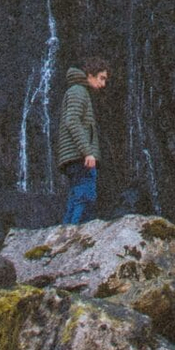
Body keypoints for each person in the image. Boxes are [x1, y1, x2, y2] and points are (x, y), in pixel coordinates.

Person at [57, 58, 109, 226]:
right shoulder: (79, 91)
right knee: (85, 198)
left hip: (74, 157)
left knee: (75, 199)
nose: (103, 84)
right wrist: (88, 152)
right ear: (90, 75)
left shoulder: (76, 90)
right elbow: (72, 120)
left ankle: (65, 236)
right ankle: (75, 239)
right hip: (80, 157)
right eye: (101, 78)